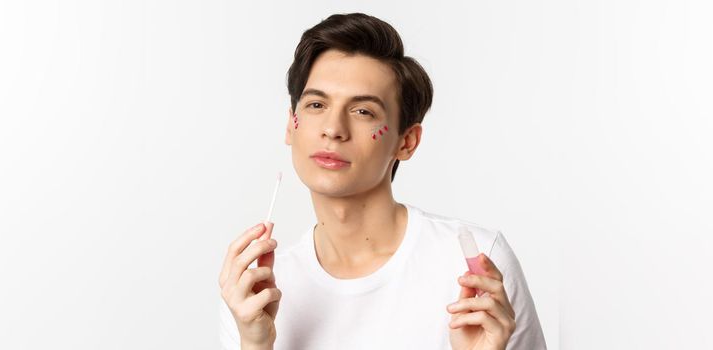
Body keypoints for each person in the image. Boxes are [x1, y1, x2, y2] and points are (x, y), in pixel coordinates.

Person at [217, 13, 546, 350]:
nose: (333, 128)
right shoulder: (256, 293)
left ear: (407, 142)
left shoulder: (475, 266)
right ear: (291, 125)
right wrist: (255, 343)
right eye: (316, 104)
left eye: (363, 112)